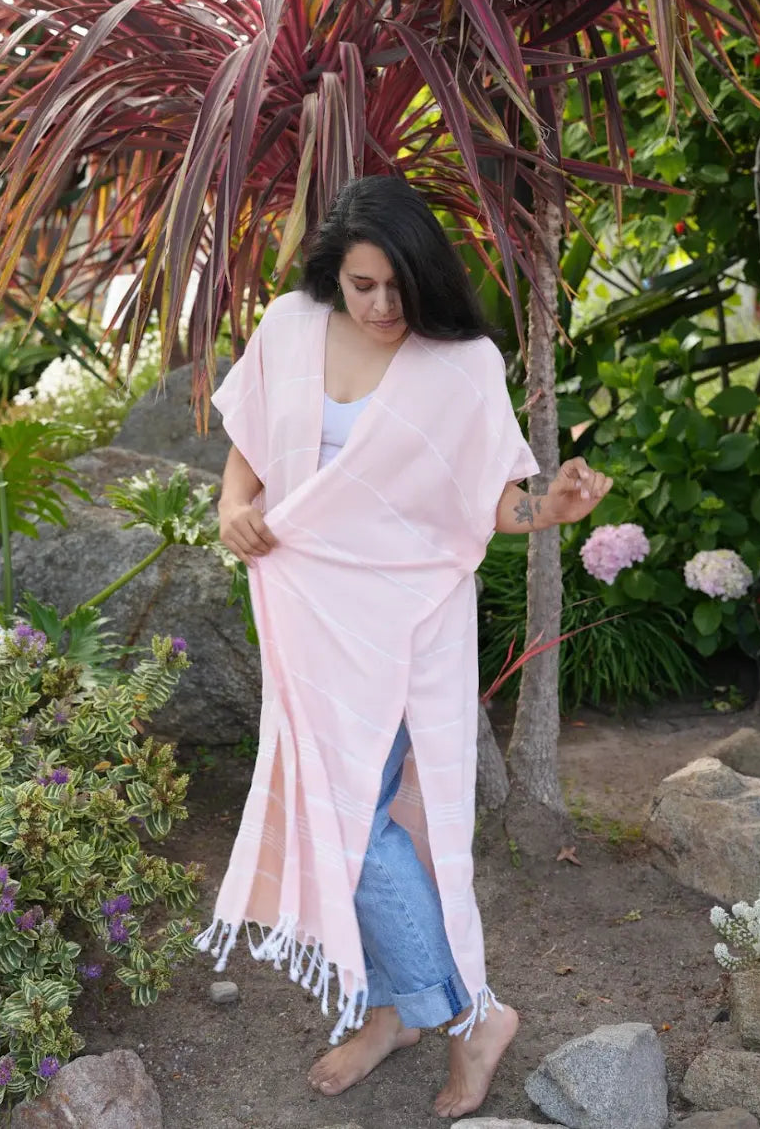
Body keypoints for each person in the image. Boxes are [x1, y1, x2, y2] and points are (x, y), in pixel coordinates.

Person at [197, 175, 612, 1119]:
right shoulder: (290, 329)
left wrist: (553, 508)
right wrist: (231, 509)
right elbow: (249, 444)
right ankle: (392, 1013)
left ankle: (470, 1016)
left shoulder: (460, 366)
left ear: (426, 275)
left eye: (398, 286)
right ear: (333, 277)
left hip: (402, 624)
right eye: (362, 286)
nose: (382, 306)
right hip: (304, 618)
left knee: (352, 826)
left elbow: (491, 501)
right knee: (343, 816)